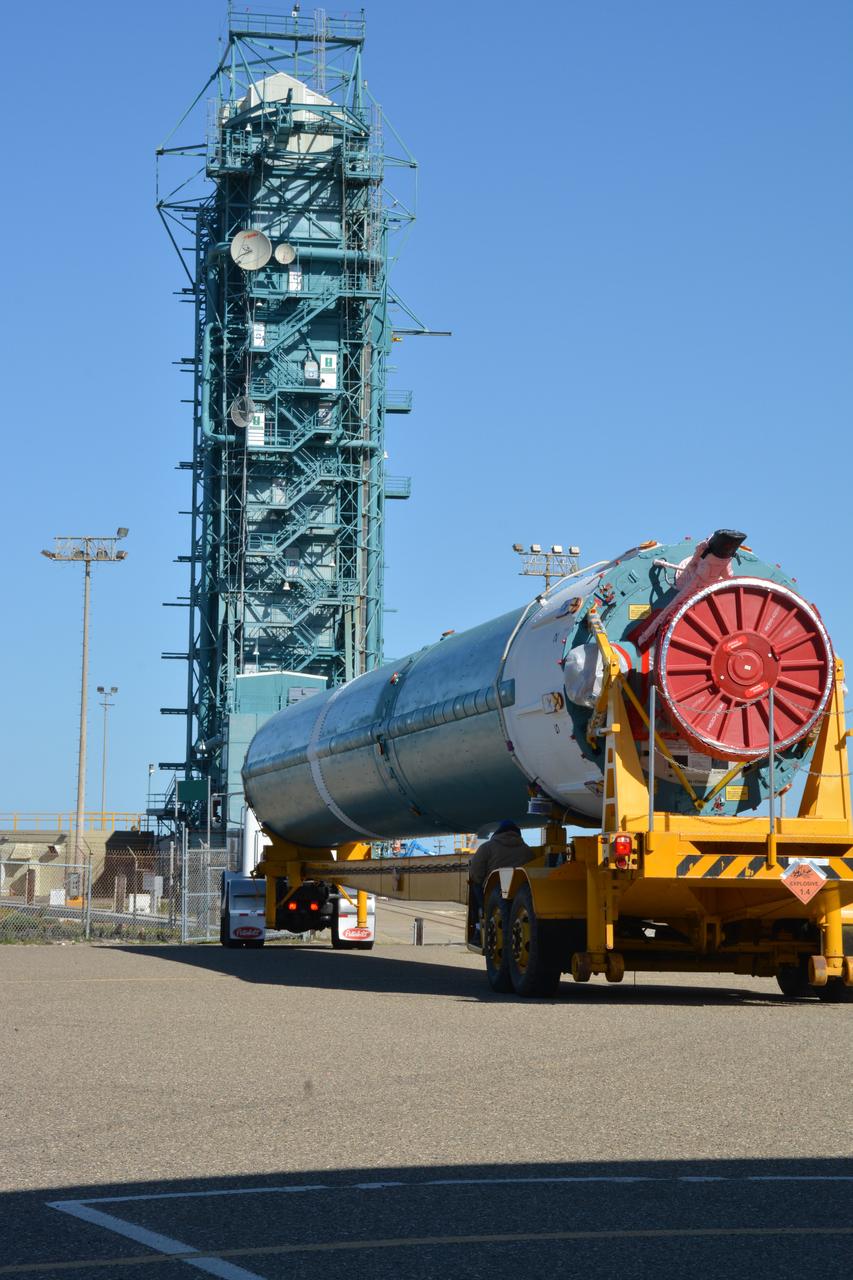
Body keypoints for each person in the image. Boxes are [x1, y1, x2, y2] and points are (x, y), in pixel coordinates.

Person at [467, 820, 535, 921]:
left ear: (498, 832)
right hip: (519, 891)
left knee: (474, 884)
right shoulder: (527, 850)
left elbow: (475, 872)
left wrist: (479, 882)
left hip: (493, 892)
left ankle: (481, 920)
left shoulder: (487, 847)